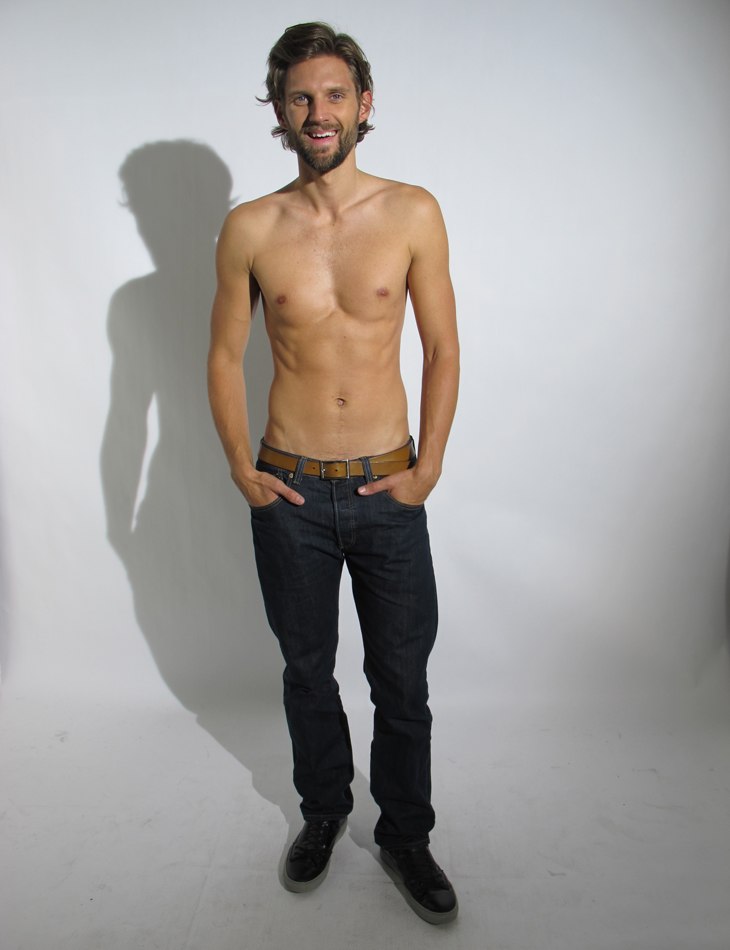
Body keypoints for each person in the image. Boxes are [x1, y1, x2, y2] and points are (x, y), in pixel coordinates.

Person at [207, 21, 459, 925]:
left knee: (402, 678)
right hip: (290, 490)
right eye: (301, 96)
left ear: (364, 103)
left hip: (388, 486)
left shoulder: (412, 211)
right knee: (307, 671)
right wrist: (242, 468)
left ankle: (406, 834)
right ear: (280, 111)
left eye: (335, 94)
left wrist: (428, 467)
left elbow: (442, 348)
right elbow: (223, 353)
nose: (319, 112)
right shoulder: (251, 226)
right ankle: (323, 812)